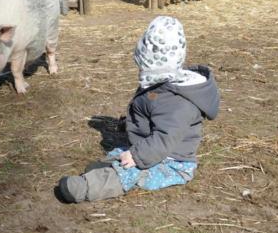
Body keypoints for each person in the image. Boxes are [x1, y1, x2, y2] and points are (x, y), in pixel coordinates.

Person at [58, 16, 220, 203]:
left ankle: (86, 188)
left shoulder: (179, 103)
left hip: (172, 161)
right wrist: (128, 124)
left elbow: (164, 139)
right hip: (151, 147)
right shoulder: (160, 85)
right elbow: (150, 111)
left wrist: (137, 155)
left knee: (130, 171)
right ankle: (107, 169)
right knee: (120, 154)